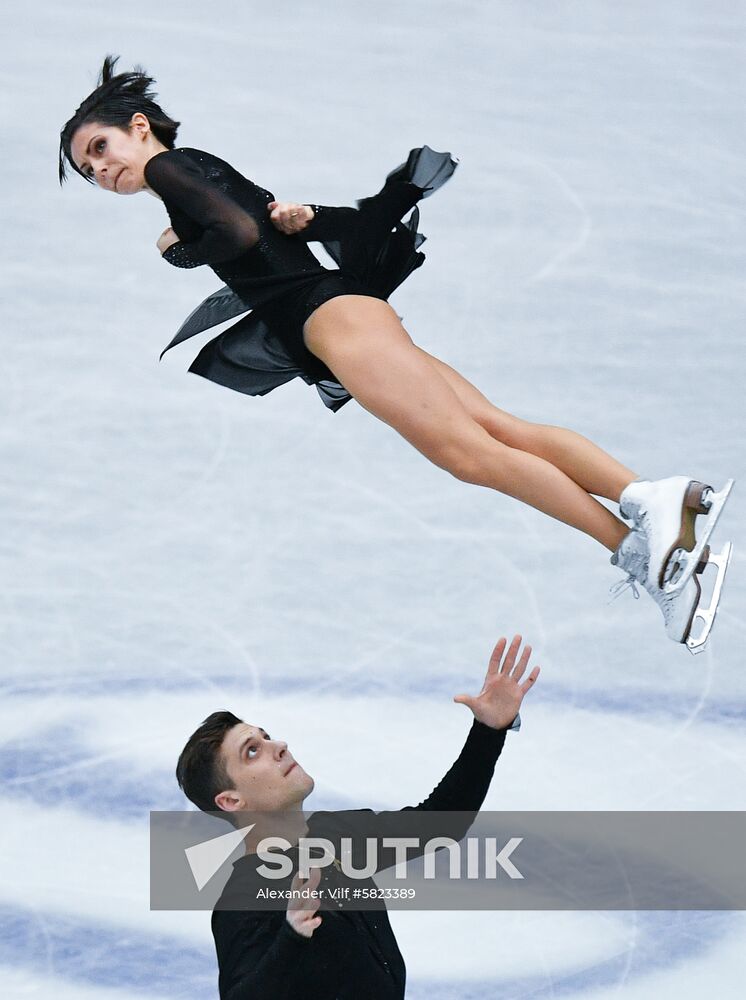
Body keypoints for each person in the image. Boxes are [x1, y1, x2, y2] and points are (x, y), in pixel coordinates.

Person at [58, 57, 733, 650]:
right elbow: (265, 216)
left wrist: (178, 251)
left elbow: (235, 234)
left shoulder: (173, 170)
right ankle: (652, 505)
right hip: (344, 310)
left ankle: (643, 546)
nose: (101, 167)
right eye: (89, 169)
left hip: (331, 320)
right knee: (497, 431)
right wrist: (286, 218)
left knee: (472, 454)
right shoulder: (197, 166)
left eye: (100, 145)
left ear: (139, 126)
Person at [175, 634, 540, 1000]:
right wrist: (292, 935)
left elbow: (440, 823)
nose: (279, 746)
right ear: (231, 800)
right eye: (252, 752)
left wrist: (488, 732)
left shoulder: (336, 835)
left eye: (266, 737)